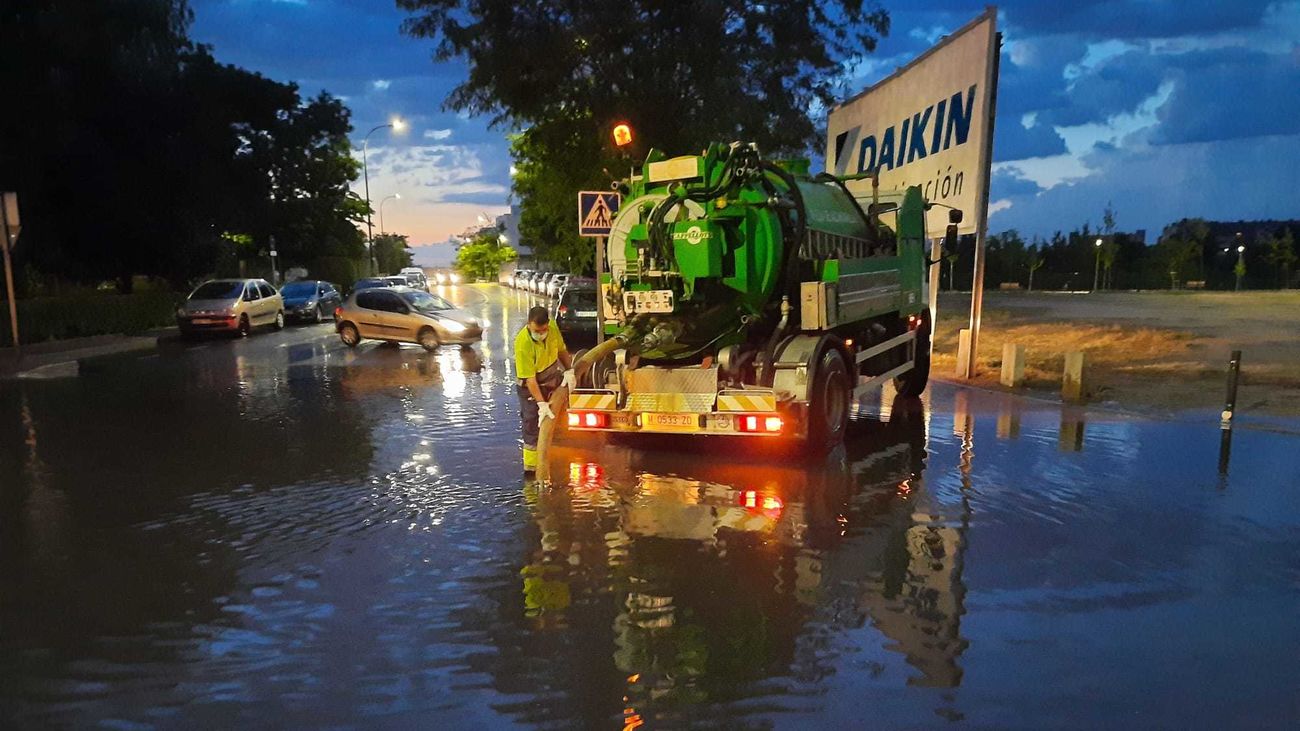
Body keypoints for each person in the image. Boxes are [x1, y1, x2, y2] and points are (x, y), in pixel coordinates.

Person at [515, 305, 574, 472]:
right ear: (529, 324)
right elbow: (530, 379)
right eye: (536, 330)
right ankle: (533, 468)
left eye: (543, 330)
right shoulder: (523, 343)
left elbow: (562, 350)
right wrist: (541, 403)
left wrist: (569, 370)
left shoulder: (553, 328)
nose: (540, 334)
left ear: (548, 324)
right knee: (532, 424)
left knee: (557, 418)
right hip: (530, 389)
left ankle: (556, 460)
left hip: (551, 380)